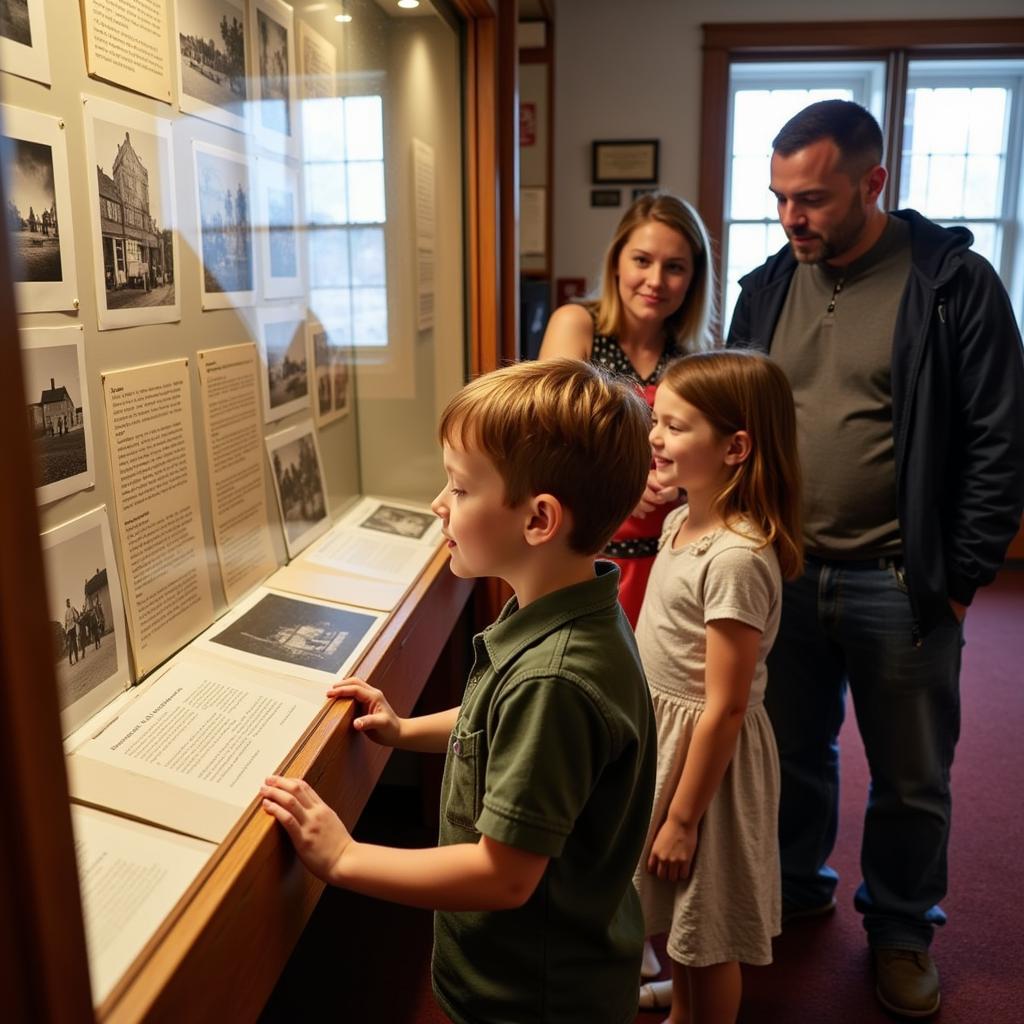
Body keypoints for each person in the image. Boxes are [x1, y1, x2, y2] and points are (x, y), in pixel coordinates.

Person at [727, 98, 1024, 1018]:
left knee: (909, 775)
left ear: (873, 182)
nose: (791, 218)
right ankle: (791, 885)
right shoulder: (767, 285)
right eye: (779, 197)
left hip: (903, 581)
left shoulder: (952, 283)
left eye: (811, 198)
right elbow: (738, 426)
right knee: (790, 753)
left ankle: (900, 930)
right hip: (783, 571)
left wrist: (963, 578)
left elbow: (998, 440)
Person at [261, 358, 658, 1024]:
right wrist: (405, 729)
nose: (439, 504)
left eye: (461, 488)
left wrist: (347, 858)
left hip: (533, 994)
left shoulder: (555, 679)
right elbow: (494, 721)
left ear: (538, 520)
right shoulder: (557, 605)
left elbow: (504, 875)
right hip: (535, 970)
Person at [633, 351, 803, 1023]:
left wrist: (682, 818)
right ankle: (683, 1011)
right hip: (672, 744)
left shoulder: (733, 556)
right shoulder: (681, 521)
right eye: (656, 421)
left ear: (735, 447)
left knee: (709, 933)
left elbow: (727, 705)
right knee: (682, 917)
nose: (655, 437)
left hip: (711, 770)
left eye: (674, 427)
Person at [539, 193, 715, 627]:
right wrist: (623, 483)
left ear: (693, 279)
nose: (655, 280)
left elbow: (714, 462)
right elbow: (545, 439)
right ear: (617, 261)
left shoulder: (695, 353)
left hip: (670, 559)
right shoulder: (577, 324)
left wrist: (682, 479)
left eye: (675, 267)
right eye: (642, 260)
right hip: (585, 558)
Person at [63, 598, 79, 666]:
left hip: (73, 627)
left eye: (69, 602)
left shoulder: (72, 608)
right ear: (66, 604)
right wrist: (66, 631)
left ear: (70, 603)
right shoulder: (66, 612)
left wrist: (76, 620)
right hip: (69, 630)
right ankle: (70, 660)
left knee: (74, 642)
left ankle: (76, 658)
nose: (68, 604)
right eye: (67, 603)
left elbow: (76, 616)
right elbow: (65, 623)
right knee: (71, 644)